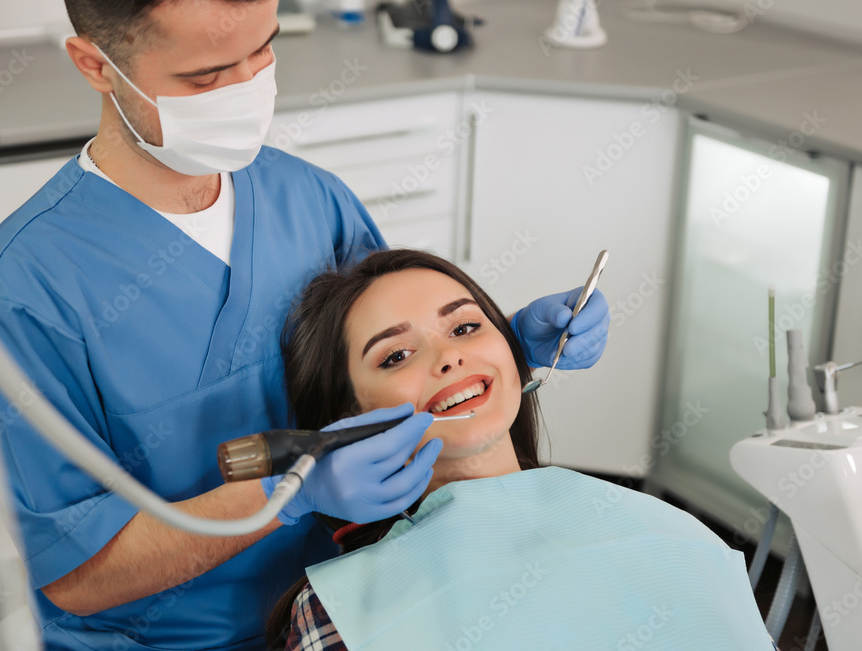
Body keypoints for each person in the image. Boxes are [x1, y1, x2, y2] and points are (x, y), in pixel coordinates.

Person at [0, 0, 611, 649]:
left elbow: (396, 370)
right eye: (207, 75)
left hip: (348, 600)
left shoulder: (308, 200)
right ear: (96, 64)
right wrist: (288, 494)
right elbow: (76, 574)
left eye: (262, 51)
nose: (247, 87)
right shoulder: (28, 289)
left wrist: (507, 346)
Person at [266, 249, 775, 651]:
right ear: (350, 422)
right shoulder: (341, 614)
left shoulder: (674, 535)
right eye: (396, 355)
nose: (450, 357)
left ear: (514, 352)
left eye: (465, 327)